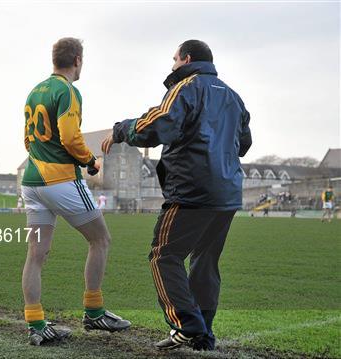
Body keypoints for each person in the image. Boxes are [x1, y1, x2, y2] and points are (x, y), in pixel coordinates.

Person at [102, 39, 252, 351]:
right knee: (205, 261)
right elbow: (244, 143)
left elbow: (160, 123)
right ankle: (203, 334)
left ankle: (188, 324)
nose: (171, 66)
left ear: (185, 59)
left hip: (191, 190)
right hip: (226, 194)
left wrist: (120, 130)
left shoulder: (187, 87)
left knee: (164, 255)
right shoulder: (234, 98)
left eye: (174, 59)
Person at [21, 37, 130, 346]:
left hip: (31, 182)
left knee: (36, 255)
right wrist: (89, 161)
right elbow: (70, 137)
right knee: (100, 239)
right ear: (78, 60)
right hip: (60, 181)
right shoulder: (68, 91)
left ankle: (36, 324)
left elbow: (27, 142)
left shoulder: (34, 92)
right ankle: (94, 311)